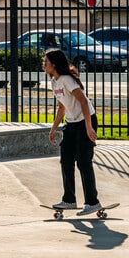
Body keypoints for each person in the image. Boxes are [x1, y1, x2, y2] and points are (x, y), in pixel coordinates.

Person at [43, 48, 102, 216]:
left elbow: (83, 102)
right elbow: (62, 106)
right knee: (66, 160)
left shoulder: (67, 80)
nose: (44, 64)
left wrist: (89, 127)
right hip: (71, 123)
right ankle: (69, 200)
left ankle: (92, 202)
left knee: (83, 162)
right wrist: (54, 128)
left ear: (54, 64)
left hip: (85, 120)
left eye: (46, 62)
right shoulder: (54, 81)